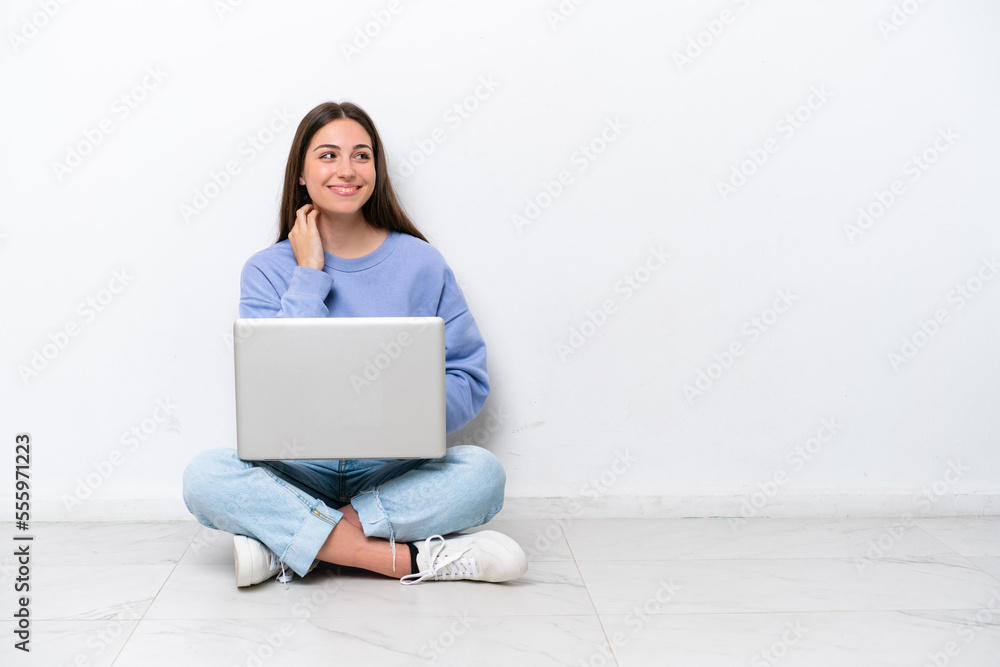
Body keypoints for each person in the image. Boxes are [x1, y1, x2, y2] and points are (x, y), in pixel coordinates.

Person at [182, 101, 526, 588]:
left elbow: (467, 376)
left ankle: (291, 544)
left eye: (361, 156)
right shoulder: (266, 269)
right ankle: (407, 561)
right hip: (297, 468)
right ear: (300, 174)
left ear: (376, 170)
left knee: (482, 475)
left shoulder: (421, 263)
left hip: (389, 470)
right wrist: (307, 276)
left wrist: (399, 411)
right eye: (328, 155)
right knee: (205, 476)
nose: (346, 170)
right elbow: (274, 387)